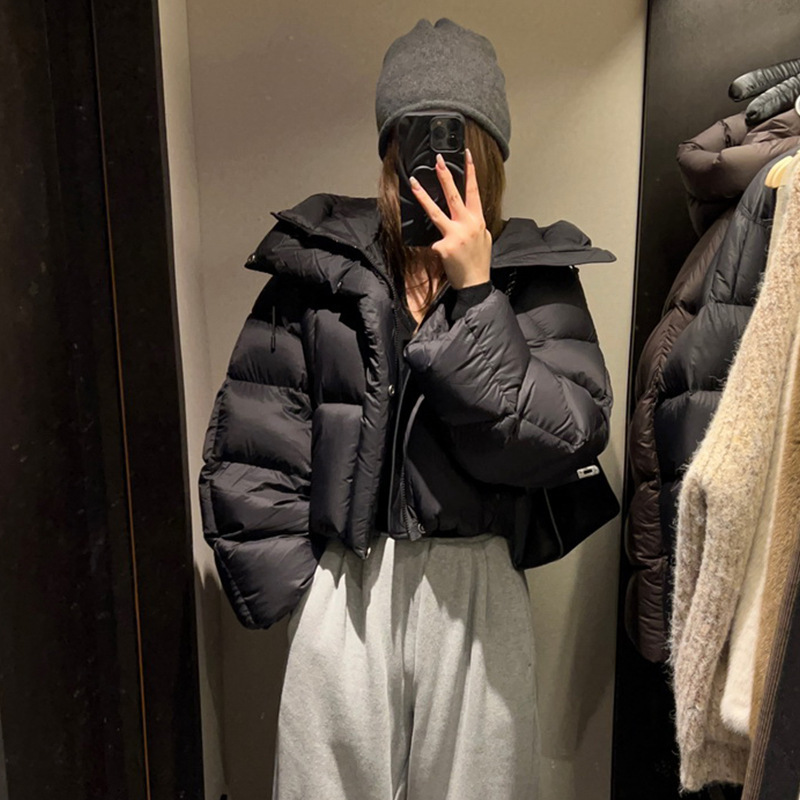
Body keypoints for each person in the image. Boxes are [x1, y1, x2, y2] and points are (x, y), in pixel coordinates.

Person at [198, 17, 615, 800]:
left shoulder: (533, 280)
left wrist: (477, 293)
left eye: (459, 144)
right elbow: (254, 435)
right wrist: (307, 593)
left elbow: (562, 439)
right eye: (418, 141)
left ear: (488, 155)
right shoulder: (321, 269)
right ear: (392, 148)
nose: (437, 167)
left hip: (477, 590)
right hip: (347, 585)